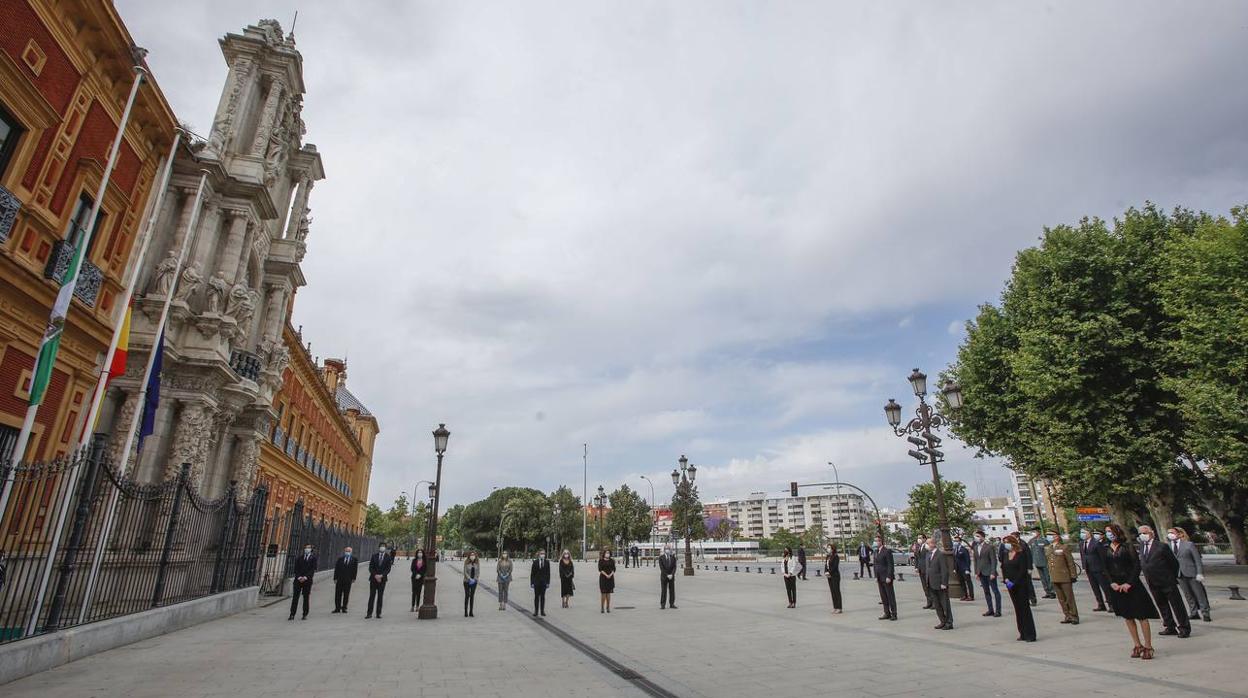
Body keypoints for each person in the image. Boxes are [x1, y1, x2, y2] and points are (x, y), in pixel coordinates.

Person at [1103, 523, 1159, 659]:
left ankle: (1148, 645)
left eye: (1110, 531)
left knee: (1141, 616)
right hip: (1117, 585)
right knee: (1127, 616)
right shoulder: (1105, 548)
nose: (1108, 534)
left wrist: (1129, 583)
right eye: (1106, 532)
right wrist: (1112, 583)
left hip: (1132, 585)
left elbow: (1136, 566)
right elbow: (1105, 568)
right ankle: (1137, 644)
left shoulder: (1127, 547)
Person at [1137, 525, 1190, 639]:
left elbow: (1174, 564)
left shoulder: (1162, 546)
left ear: (1152, 533)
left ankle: (1184, 627)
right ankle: (1170, 626)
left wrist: (1172, 577)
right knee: (1162, 605)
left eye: (1145, 533)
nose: (1142, 535)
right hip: (1152, 581)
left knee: (1177, 605)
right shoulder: (1141, 546)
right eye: (1140, 533)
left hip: (1167, 581)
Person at [1169, 527, 1211, 622]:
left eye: (1172, 532)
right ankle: (1194, 612)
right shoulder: (1168, 546)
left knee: (1199, 594)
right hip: (1179, 574)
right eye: (1169, 533)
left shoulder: (1189, 545)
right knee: (1188, 595)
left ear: (1179, 534)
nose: (1170, 534)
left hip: (1192, 573)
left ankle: (1205, 612)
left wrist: (1199, 573)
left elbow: (1197, 560)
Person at [1000, 534, 1036, 642]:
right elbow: (1004, 568)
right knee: (1017, 609)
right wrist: (1006, 579)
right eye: (1004, 542)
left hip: (1020, 584)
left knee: (1024, 609)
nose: (1006, 545)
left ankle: (1030, 634)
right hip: (1010, 585)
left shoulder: (1020, 554)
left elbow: (1022, 570)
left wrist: (1014, 582)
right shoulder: (1006, 554)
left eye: (1007, 542)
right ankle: (1022, 633)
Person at [1044, 529, 1079, 625]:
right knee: (1061, 599)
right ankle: (1067, 615)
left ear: (1057, 536)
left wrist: (1073, 575)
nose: (1049, 537)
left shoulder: (1064, 547)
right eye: (1047, 535)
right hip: (1054, 576)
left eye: (1050, 535)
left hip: (1064, 575)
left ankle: (1074, 616)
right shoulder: (1048, 548)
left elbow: (1070, 562)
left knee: (1069, 598)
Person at [1079, 528, 1113, 613]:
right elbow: (1083, 556)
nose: (1082, 534)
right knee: (1095, 588)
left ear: (1089, 533)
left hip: (1099, 569)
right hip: (1089, 569)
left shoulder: (1096, 543)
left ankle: (1111, 604)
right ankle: (1101, 604)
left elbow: (1102, 557)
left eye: (1084, 532)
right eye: (1081, 533)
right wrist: (1084, 567)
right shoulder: (1081, 543)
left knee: (1105, 588)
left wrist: (1104, 569)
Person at [924, 536, 953, 630]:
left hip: (940, 584)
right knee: (937, 604)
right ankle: (942, 621)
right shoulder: (928, 554)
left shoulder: (940, 554)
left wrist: (944, 583)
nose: (926, 545)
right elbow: (928, 569)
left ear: (933, 544)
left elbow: (944, 570)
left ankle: (949, 622)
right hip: (931, 583)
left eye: (928, 543)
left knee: (945, 604)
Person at [972, 530, 1001, 618]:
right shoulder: (976, 547)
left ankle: (998, 611)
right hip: (981, 573)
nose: (976, 538)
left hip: (989, 572)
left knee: (995, 591)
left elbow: (993, 560)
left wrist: (993, 572)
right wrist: (976, 572)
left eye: (977, 536)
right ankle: (990, 609)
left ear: (982, 537)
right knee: (986, 591)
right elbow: (976, 560)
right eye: (975, 536)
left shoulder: (989, 547)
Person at [289, 544, 317, 621]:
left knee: (306, 597)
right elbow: (296, 569)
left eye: (308, 548)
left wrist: (305, 577)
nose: (306, 549)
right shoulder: (299, 558)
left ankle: (305, 614)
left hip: (307, 581)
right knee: (295, 597)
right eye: (306, 548)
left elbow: (312, 570)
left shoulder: (313, 559)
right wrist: (299, 577)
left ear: (311, 549)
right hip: (298, 580)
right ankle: (292, 614)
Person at [873, 536, 897, 620]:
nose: (875, 543)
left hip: (886, 577)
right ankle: (887, 613)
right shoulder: (876, 552)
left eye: (876, 541)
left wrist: (889, 576)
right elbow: (875, 565)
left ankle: (894, 613)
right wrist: (876, 576)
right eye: (875, 541)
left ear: (881, 542)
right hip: (879, 577)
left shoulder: (887, 551)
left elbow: (890, 565)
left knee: (890, 596)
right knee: (883, 596)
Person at [365, 544, 391, 619]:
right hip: (373, 579)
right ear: (379, 547)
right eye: (381, 546)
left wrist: (381, 575)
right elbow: (371, 567)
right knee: (372, 596)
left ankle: (378, 613)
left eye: (384, 547)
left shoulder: (388, 557)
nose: (382, 548)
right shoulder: (374, 556)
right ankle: (369, 613)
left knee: (380, 596)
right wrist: (375, 575)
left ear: (385, 548)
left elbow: (388, 569)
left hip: (382, 579)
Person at [1029, 527, 1054, 599]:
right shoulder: (1031, 541)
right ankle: (1047, 592)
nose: (1033, 533)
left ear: (1038, 532)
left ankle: (1052, 591)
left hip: (1045, 562)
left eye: (1034, 532)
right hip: (1037, 562)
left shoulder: (1044, 540)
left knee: (1048, 577)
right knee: (1043, 578)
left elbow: (1048, 551)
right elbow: (1031, 552)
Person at [332, 546, 358, 614]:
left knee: (346, 594)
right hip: (339, 579)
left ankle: (344, 607)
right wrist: (335, 578)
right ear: (344, 551)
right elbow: (336, 569)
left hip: (348, 579)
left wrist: (354, 578)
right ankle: (337, 608)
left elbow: (355, 570)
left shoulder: (354, 560)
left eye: (349, 551)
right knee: (338, 594)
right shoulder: (340, 559)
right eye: (346, 551)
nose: (347, 552)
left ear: (351, 552)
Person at [914, 535, 934, 609]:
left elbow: (931, 556)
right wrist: (916, 567)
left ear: (924, 539)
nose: (919, 539)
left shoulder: (927, 546)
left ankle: (934, 603)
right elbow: (916, 557)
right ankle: (929, 602)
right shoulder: (918, 547)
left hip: (927, 569)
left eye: (921, 538)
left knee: (930, 586)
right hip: (920, 569)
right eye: (918, 538)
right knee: (925, 587)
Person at [953, 536, 974, 601]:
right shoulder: (955, 550)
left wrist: (967, 569)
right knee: (962, 582)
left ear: (960, 542)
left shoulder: (964, 549)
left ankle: (971, 596)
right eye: (955, 541)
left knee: (968, 582)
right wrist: (954, 568)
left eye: (957, 541)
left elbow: (967, 560)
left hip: (964, 569)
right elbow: (955, 560)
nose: (955, 542)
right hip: (958, 569)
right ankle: (965, 595)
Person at [530, 549, 550, 616]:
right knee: (536, 597)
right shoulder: (535, 562)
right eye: (541, 553)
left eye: (544, 553)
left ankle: (542, 611)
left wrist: (548, 582)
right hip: (536, 582)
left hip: (544, 582)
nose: (542, 555)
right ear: (539, 554)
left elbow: (548, 573)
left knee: (542, 597)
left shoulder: (547, 562)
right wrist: (532, 582)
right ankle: (536, 611)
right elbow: (532, 573)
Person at [825, 543, 842, 613]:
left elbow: (835, 567)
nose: (828, 549)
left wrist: (830, 572)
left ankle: (839, 608)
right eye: (827, 547)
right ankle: (835, 607)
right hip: (829, 577)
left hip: (835, 576)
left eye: (829, 547)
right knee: (832, 592)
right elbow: (826, 565)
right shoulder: (828, 556)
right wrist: (826, 572)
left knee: (836, 591)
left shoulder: (836, 556)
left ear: (832, 549)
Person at [462, 550, 479, 617]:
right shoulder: (466, 563)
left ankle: (471, 611)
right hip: (467, 581)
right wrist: (469, 579)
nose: (472, 556)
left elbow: (478, 572)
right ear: (469, 556)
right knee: (467, 595)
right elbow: (465, 572)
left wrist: (475, 579)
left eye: (473, 555)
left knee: (472, 596)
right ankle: (465, 611)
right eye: (471, 555)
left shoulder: (477, 563)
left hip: (474, 582)